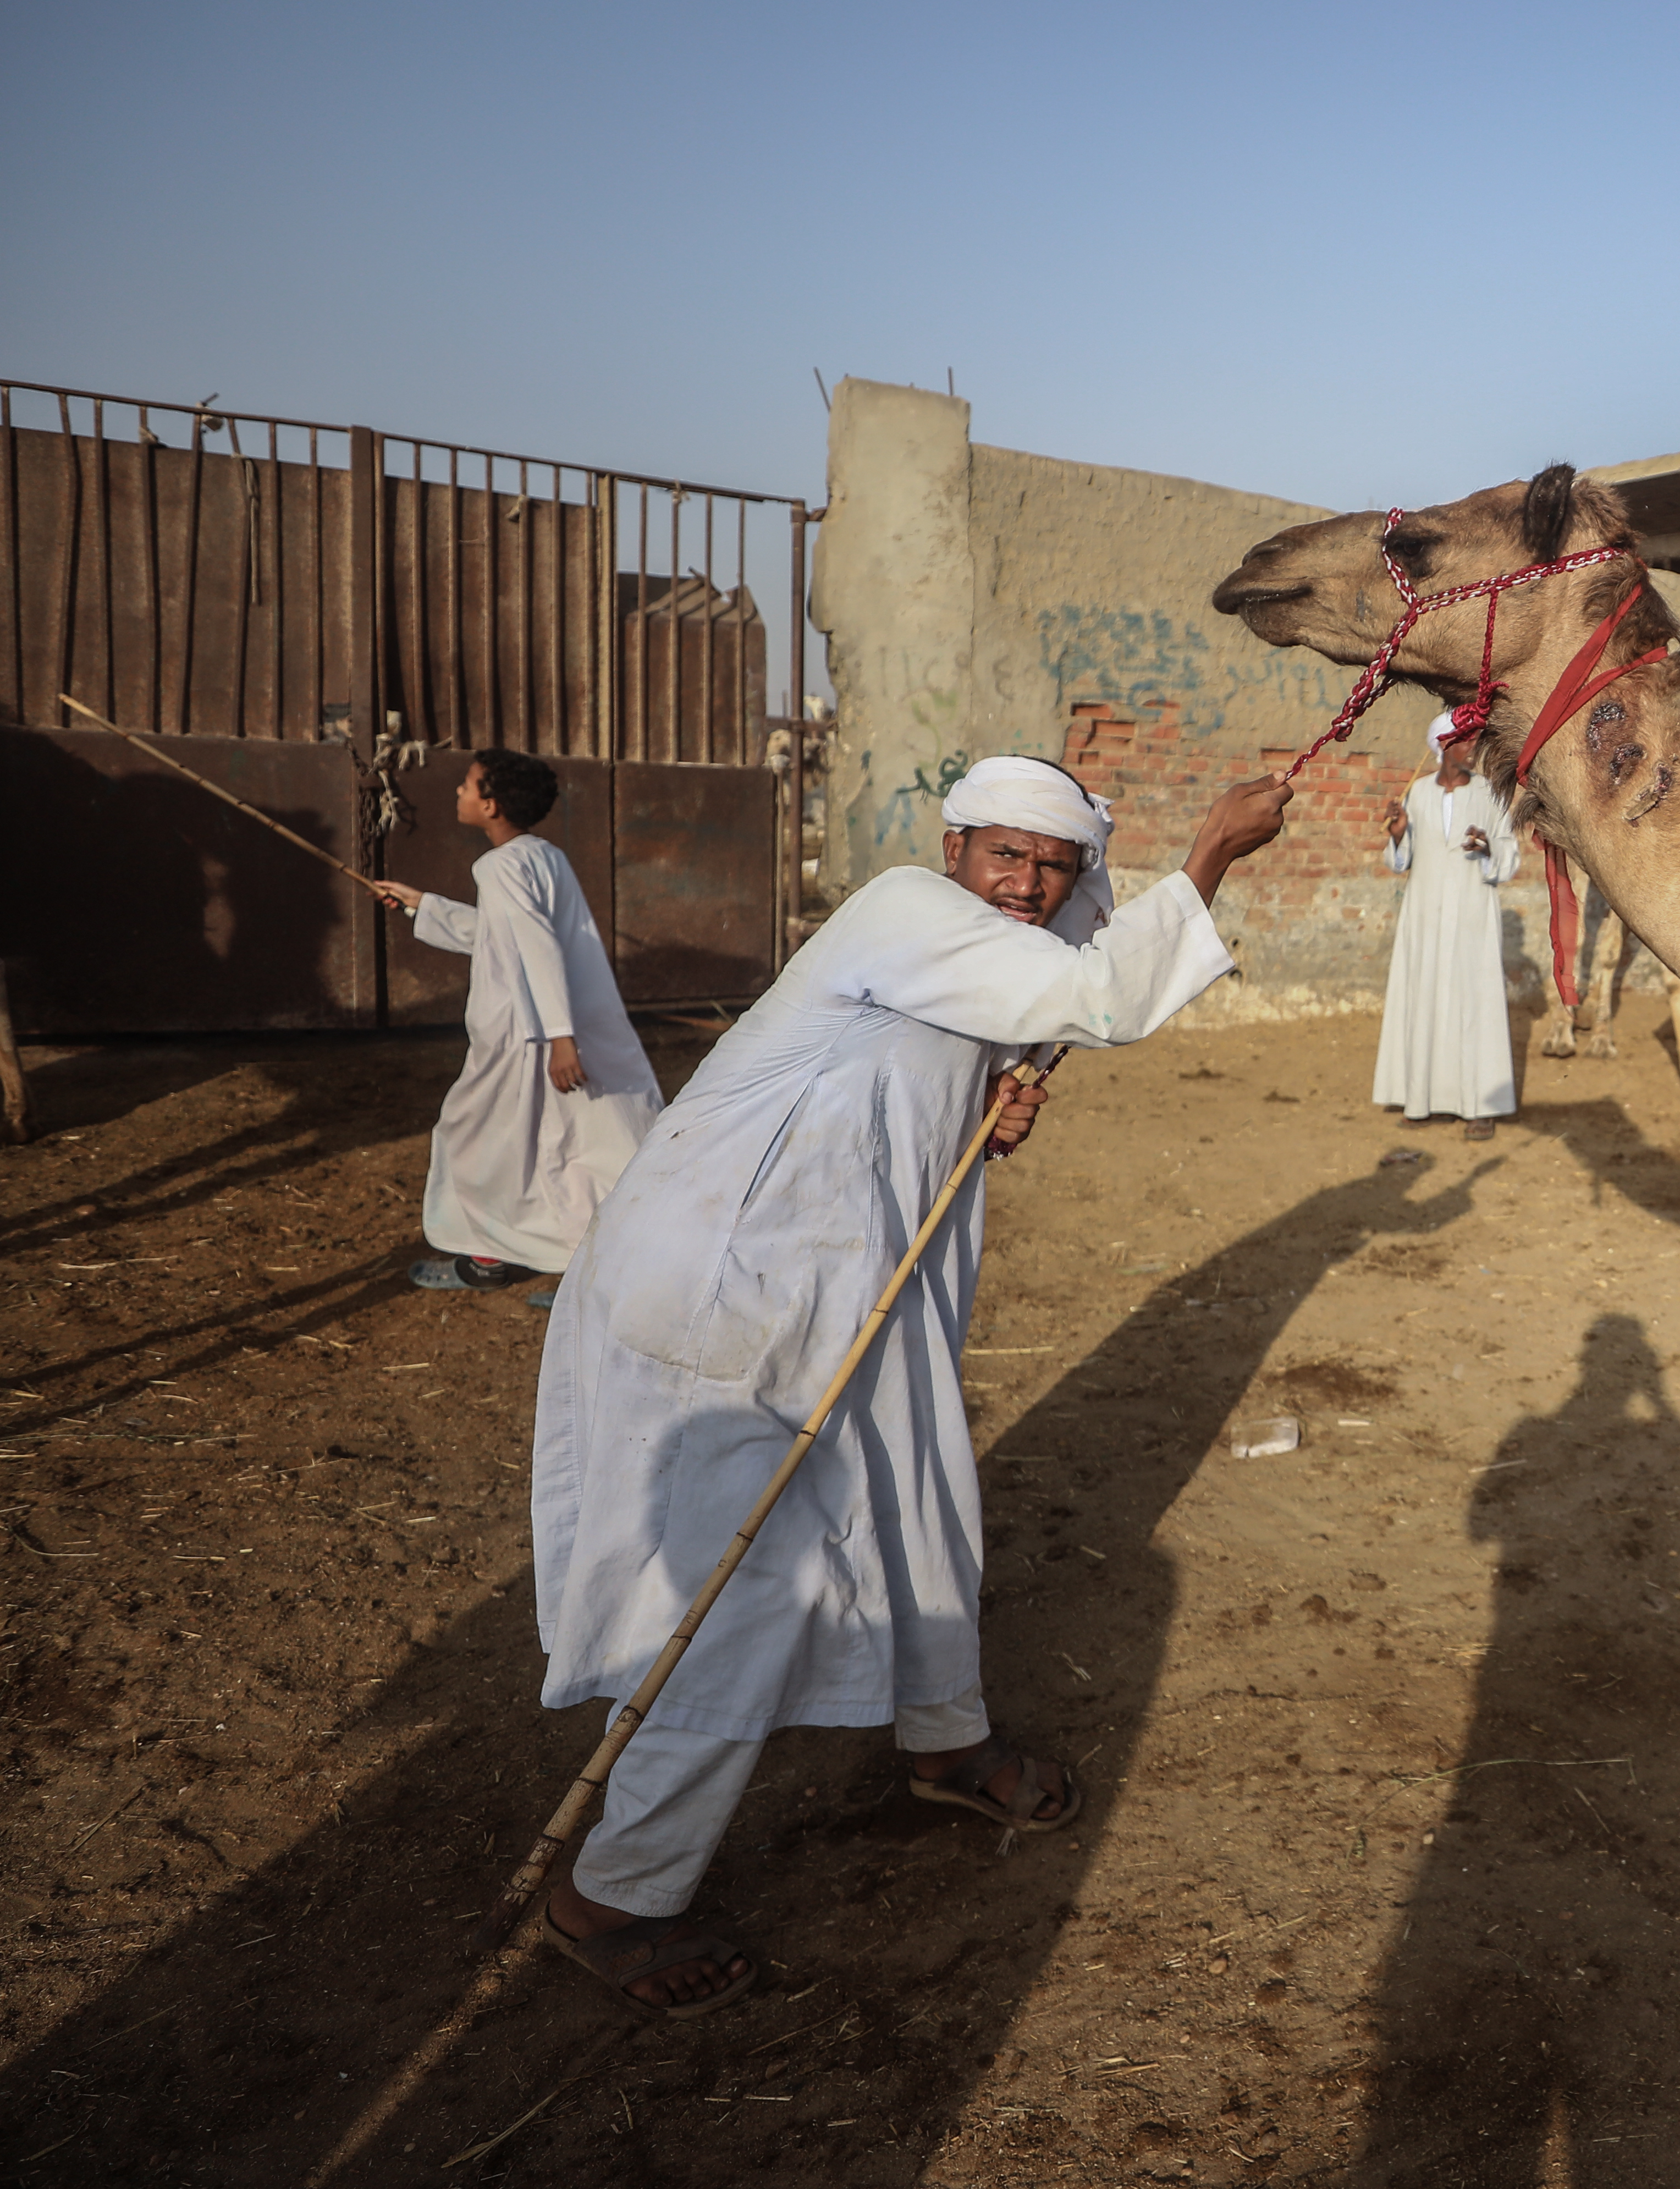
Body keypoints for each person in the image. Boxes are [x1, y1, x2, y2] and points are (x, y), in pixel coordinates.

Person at [527, 753, 1292, 2015]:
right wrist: (1208, 848)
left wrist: (978, 1111)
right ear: (955, 848)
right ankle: (610, 1889)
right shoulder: (908, 908)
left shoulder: (998, 948)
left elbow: (1038, 992)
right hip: (724, 1283)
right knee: (750, 1593)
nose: (1030, 885)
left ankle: (947, 1739)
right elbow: (1099, 992)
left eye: (1054, 867)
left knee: (923, 1500)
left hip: (854, 1281)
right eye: (1008, 857)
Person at [367, 749, 658, 1296]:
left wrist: (560, 1039)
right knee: (581, 1145)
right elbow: (502, 935)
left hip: (526, 1035)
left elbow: (537, 946)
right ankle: (599, 1264)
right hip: (553, 1028)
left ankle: (490, 1258)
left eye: (467, 786)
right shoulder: (544, 856)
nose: (459, 792)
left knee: (473, 1138)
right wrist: (419, 906)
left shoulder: (499, 867)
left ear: (492, 804)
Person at [1373, 712, 1522, 1140]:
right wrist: (1399, 834)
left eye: (1476, 740)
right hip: (1424, 915)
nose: (1473, 747)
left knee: (1474, 1005)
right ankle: (1422, 1100)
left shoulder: (1491, 794)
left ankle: (1480, 1107)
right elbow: (1399, 861)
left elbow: (1510, 857)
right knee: (1425, 998)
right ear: (1442, 746)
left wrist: (1490, 847)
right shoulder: (1416, 794)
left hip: (1473, 913)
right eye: (1464, 741)